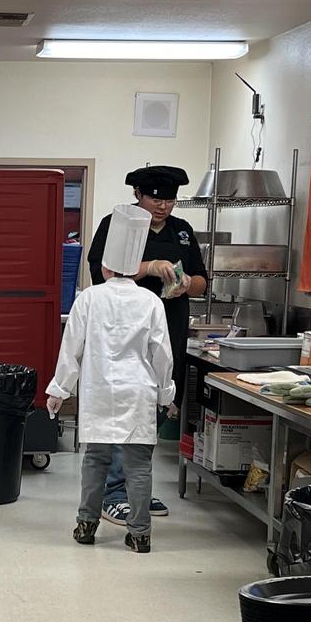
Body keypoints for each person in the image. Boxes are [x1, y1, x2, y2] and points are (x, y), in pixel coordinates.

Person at [48, 201, 177, 555]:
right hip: (138, 392)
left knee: (95, 461)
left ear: (105, 266)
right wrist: (167, 394)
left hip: (99, 389)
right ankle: (139, 535)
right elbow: (162, 355)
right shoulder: (151, 302)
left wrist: (59, 390)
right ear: (136, 267)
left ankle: (86, 525)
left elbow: (70, 348)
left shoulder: (89, 299)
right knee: (138, 466)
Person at [83, 164, 208, 530]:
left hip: (169, 329)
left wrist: (186, 285)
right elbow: (102, 273)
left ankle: (136, 486)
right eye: (156, 198)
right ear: (138, 193)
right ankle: (115, 492)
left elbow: (203, 280)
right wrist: (150, 267)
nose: (163, 206)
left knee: (155, 408)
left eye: (170, 199)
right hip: (124, 335)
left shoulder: (182, 231)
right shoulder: (117, 224)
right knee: (124, 408)